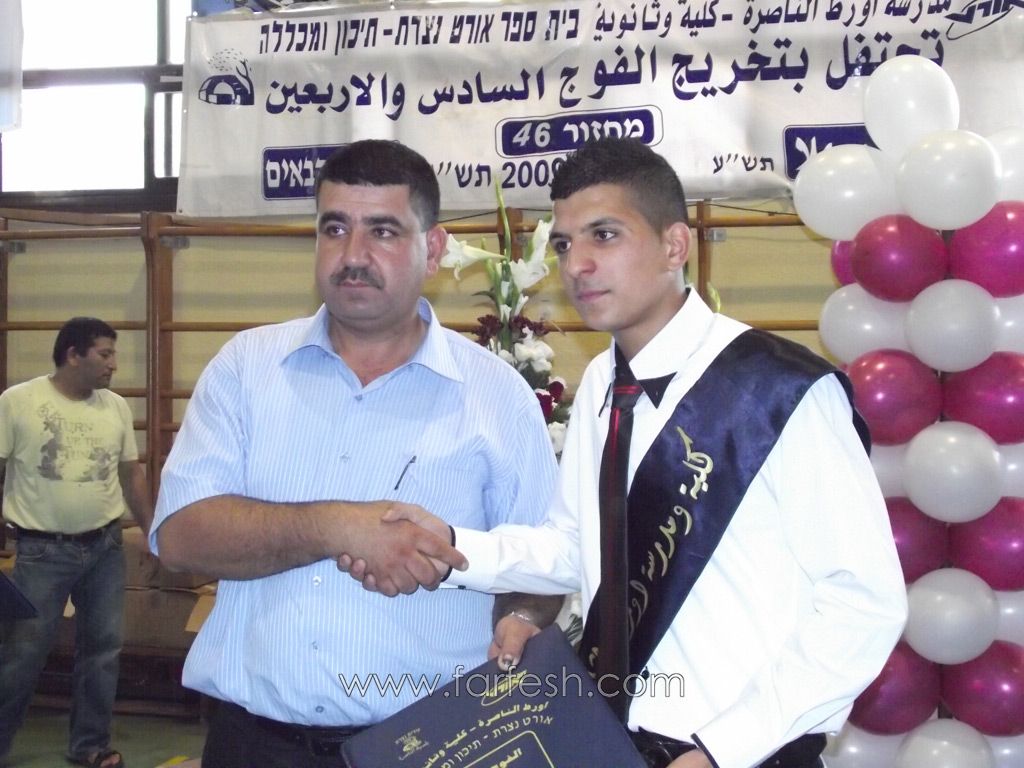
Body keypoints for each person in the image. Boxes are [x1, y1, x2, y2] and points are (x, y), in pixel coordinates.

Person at [361, 137, 908, 768]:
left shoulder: (781, 390)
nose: (577, 265)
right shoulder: (602, 381)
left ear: (675, 246)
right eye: (563, 245)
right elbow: (574, 547)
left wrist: (723, 751)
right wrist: (450, 546)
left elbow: (864, 602)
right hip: (616, 743)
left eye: (604, 235)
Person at [150, 139, 561, 768]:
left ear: (433, 249)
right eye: (334, 228)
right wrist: (338, 526)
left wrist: (524, 616)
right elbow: (180, 538)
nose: (353, 255)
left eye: (383, 231)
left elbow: (542, 561)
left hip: (428, 745)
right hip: (253, 744)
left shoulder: (498, 395)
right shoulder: (245, 369)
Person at [0, 317, 152, 768]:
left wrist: (153, 531)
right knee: (23, 655)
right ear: (73, 355)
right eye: (105, 354)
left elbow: (131, 473)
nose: (113, 364)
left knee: (103, 651)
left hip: (104, 547)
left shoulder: (115, 407)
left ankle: (90, 745)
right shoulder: (18, 402)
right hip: (41, 551)